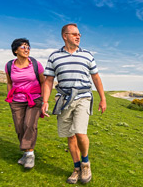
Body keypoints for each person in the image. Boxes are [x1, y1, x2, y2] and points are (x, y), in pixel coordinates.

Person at [41, 23, 106, 184]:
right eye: (74, 34)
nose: (78, 36)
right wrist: (44, 101)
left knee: (80, 132)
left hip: (83, 97)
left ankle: (85, 163)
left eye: (79, 34)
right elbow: (49, 81)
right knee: (70, 136)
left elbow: (96, 78)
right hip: (63, 100)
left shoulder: (88, 55)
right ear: (65, 36)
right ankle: (76, 168)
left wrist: (103, 98)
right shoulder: (54, 56)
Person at [5, 38, 45, 169]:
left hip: (34, 99)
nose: (26, 49)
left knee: (29, 124)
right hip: (16, 100)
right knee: (19, 127)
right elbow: (9, 82)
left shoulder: (35, 64)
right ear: (15, 50)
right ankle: (27, 153)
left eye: (28, 47)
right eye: (23, 47)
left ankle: (30, 155)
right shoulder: (9, 65)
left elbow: (43, 82)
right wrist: (9, 98)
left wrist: (44, 100)